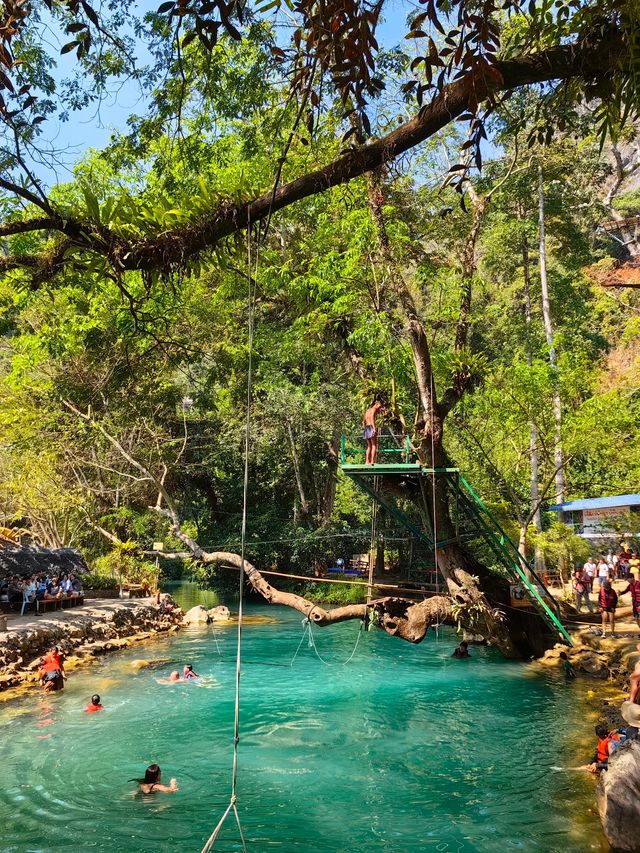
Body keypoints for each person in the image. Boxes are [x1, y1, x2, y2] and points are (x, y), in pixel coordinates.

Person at [363, 395, 385, 465]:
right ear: (377, 404)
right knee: (374, 445)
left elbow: (364, 420)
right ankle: (373, 461)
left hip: (366, 427)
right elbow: (372, 417)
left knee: (369, 446)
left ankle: (367, 462)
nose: (380, 408)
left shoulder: (367, 410)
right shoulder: (373, 410)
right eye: (380, 406)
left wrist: (364, 427)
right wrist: (374, 427)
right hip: (371, 427)